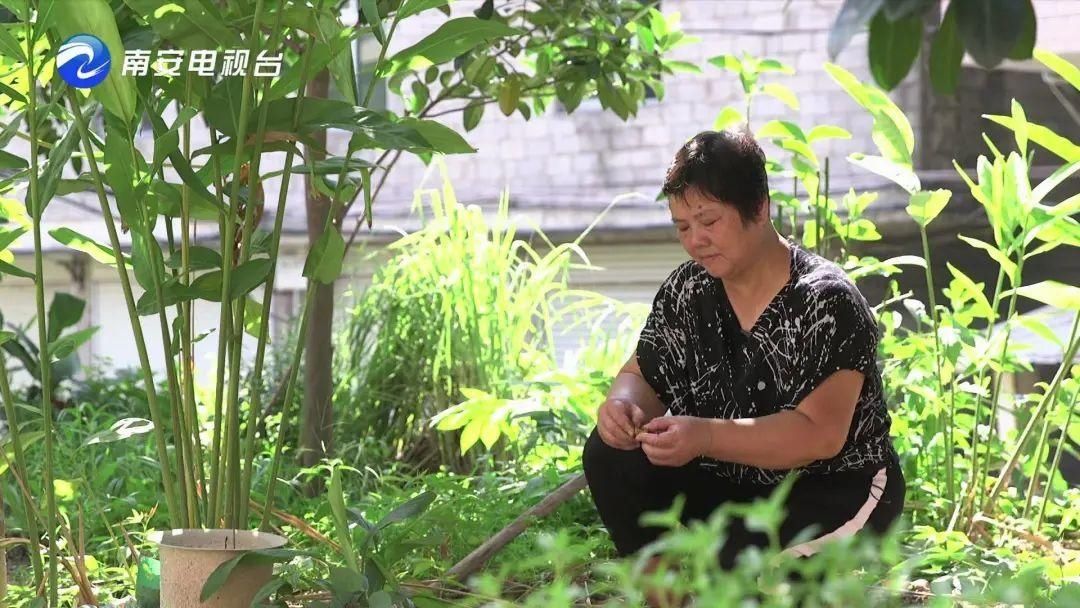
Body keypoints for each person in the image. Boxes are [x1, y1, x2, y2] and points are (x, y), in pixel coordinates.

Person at [582, 130, 905, 599]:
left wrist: (706, 435)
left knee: (741, 572)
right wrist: (622, 405)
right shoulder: (688, 290)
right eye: (682, 227)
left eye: (708, 220)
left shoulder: (825, 301)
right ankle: (660, 597)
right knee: (610, 455)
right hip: (732, 481)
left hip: (834, 487)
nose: (695, 240)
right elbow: (641, 374)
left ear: (759, 207)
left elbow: (818, 434)